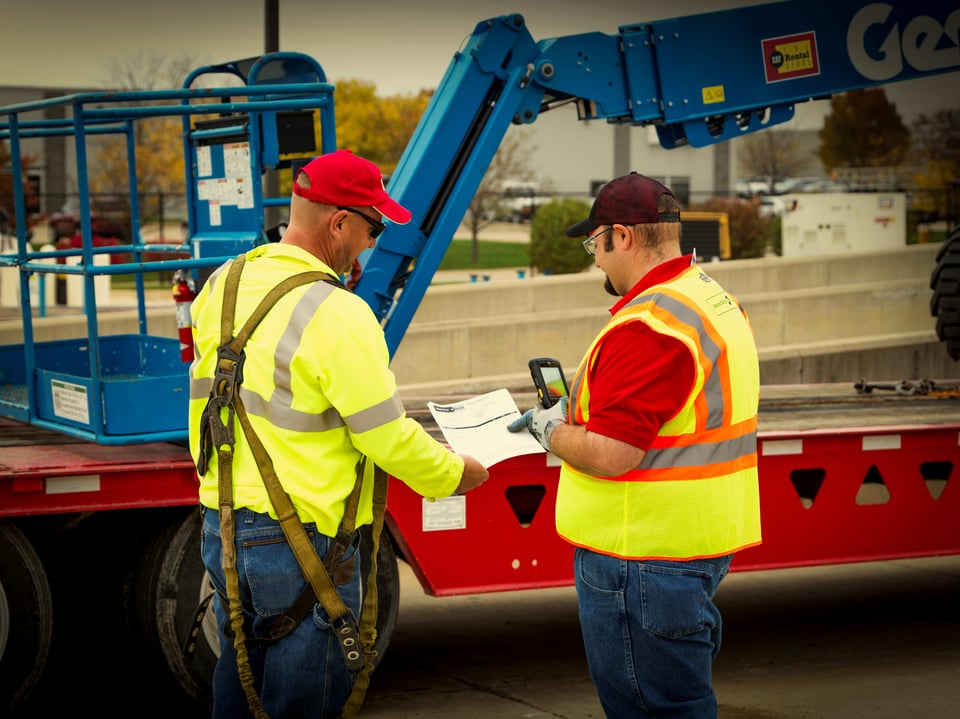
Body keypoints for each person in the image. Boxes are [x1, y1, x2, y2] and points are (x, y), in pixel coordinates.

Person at [188, 149, 489, 719]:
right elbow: (385, 435)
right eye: (373, 228)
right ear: (340, 223)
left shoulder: (223, 284)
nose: (371, 243)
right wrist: (454, 474)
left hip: (221, 525)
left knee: (240, 686)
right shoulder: (338, 312)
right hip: (302, 538)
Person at [509, 172, 761, 718]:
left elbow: (612, 453)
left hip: (641, 558)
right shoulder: (709, 298)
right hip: (693, 543)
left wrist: (549, 429)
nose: (596, 261)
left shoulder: (649, 326)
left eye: (594, 245)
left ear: (621, 237)